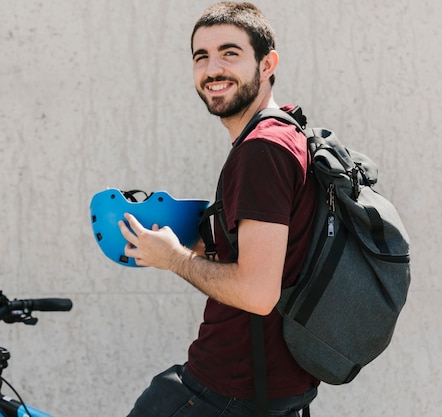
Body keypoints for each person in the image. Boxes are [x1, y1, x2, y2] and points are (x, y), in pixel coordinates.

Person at [118, 2, 320, 417]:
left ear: (267, 64)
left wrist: (173, 258)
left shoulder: (261, 150)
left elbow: (257, 293)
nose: (213, 69)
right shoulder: (289, 129)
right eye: (201, 56)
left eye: (230, 53)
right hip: (274, 388)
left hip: (228, 391)